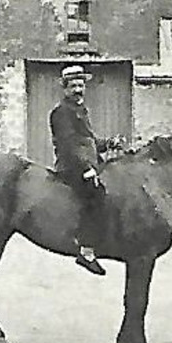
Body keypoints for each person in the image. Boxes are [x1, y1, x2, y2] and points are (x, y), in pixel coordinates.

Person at [49, 64, 107, 275]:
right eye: (73, 86)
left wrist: (108, 144)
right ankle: (86, 250)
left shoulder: (80, 110)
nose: (78, 90)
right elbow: (69, 144)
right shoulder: (61, 112)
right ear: (65, 89)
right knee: (96, 194)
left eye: (81, 85)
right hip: (71, 166)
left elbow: (87, 141)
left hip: (87, 164)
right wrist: (86, 168)